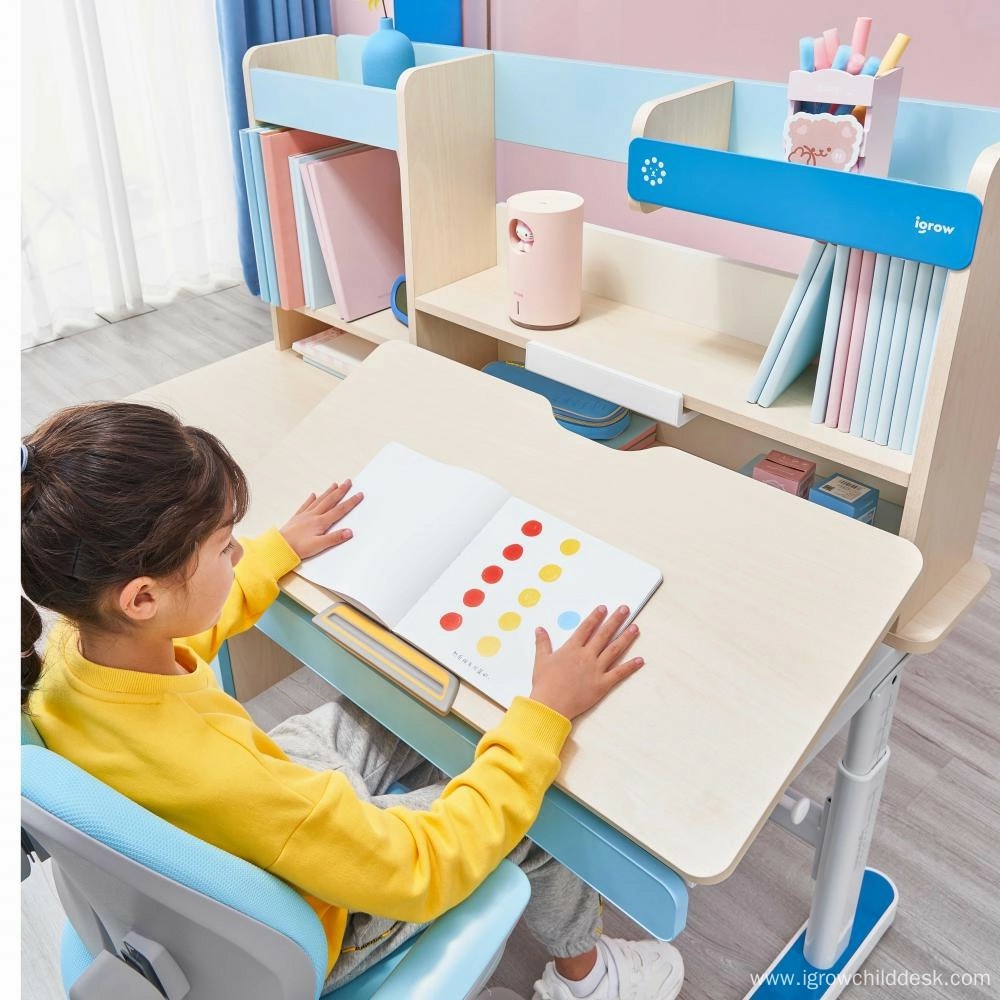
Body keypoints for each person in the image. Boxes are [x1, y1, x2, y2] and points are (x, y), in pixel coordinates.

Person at [21, 401, 683, 1000]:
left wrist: (276, 552)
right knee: (537, 820)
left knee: (399, 709)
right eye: (226, 546)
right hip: (315, 917)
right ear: (141, 597)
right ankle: (591, 980)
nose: (242, 550)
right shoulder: (234, 781)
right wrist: (542, 718)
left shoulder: (68, 659)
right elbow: (423, 866)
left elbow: (187, 628)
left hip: (222, 840)